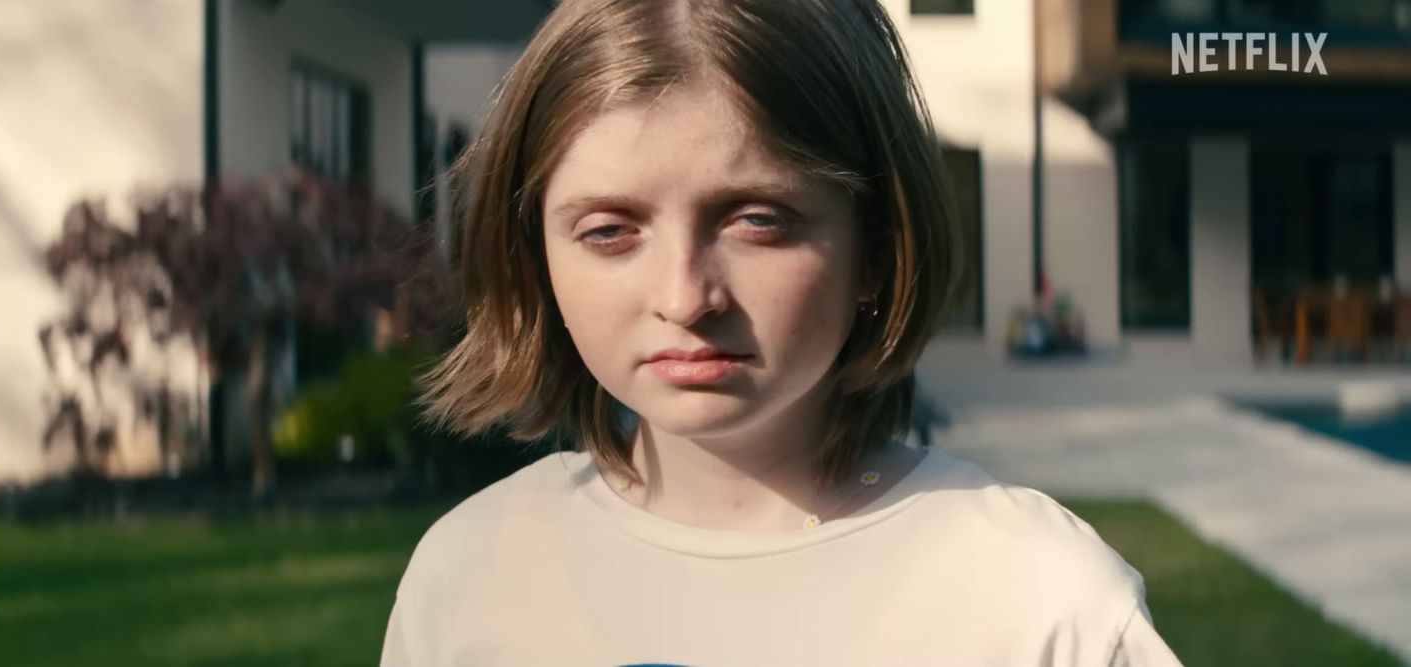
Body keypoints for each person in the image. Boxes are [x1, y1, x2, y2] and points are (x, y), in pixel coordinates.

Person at [383, 0, 1184, 664]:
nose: (684, 296)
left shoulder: (1042, 601)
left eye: (757, 220)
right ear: (536, 256)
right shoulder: (469, 578)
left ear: (875, 246)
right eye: (609, 231)